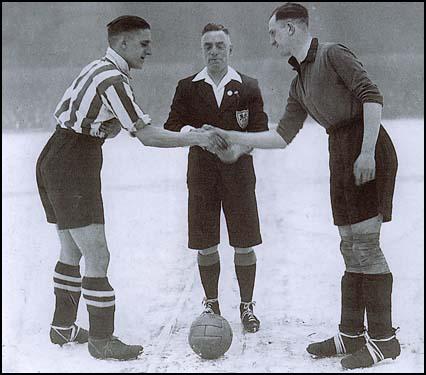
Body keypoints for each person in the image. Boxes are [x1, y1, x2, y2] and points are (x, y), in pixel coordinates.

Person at [203, 3, 400, 369]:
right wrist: (234, 141)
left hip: (365, 145)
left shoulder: (332, 54)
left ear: (292, 28)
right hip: (338, 150)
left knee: (367, 245)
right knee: (348, 244)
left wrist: (367, 151)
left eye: (274, 33)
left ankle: (385, 340)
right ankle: (351, 334)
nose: (271, 40)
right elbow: (281, 136)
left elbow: (372, 97)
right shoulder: (299, 82)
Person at [36, 15, 226, 361]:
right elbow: (147, 136)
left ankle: (62, 327)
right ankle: (102, 339)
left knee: (72, 250)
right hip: (73, 164)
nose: (149, 51)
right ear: (122, 43)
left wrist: (102, 128)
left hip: (56, 155)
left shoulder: (98, 68)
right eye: (144, 44)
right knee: (98, 255)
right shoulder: (113, 80)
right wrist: (195, 138)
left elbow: (70, 112)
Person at [164, 23, 269, 333]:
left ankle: (247, 306)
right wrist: (196, 135)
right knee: (205, 243)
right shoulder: (188, 86)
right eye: (207, 46)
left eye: (219, 45)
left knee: (244, 243)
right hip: (201, 175)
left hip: (239, 175)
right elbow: (172, 126)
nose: (213, 51)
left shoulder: (248, 86)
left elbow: (260, 132)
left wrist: (236, 151)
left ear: (230, 49)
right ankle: (211, 303)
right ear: (202, 50)